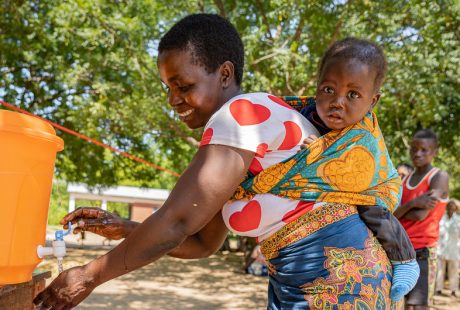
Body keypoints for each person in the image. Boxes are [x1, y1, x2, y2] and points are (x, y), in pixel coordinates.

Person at [35, 15, 397, 309]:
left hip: (334, 283)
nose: (173, 100)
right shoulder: (248, 134)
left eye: (184, 85)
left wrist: (88, 275)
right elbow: (202, 243)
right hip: (318, 280)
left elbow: (176, 222)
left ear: (224, 74)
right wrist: (128, 229)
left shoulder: (240, 117)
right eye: (168, 88)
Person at [297, 38, 419, 302]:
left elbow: (353, 170)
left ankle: (405, 258)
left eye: (353, 95)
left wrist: (321, 153)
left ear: (372, 101)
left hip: (373, 187)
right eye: (328, 89)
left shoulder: (363, 132)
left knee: (372, 209)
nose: (338, 101)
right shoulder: (304, 114)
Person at [394, 129, 449, 309]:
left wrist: (402, 211)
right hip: (402, 249)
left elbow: (421, 215)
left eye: (424, 150)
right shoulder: (404, 180)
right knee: (402, 303)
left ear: (435, 152)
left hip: (424, 250)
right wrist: (414, 203)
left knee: (419, 304)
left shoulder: (439, 177)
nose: (417, 153)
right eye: (414, 148)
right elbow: (391, 215)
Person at [436, 199, 460, 297]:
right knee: (440, 270)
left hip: (455, 249)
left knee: (453, 270)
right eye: (449, 205)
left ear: (456, 208)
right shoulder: (441, 218)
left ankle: (454, 290)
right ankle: (438, 289)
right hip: (441, 249)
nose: (451, 207)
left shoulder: (458, 219)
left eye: (453, 205)